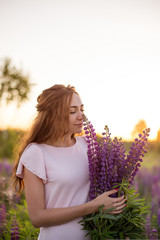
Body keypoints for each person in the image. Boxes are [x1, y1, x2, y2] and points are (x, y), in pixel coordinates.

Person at [13, 84, 126, 240]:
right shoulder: (36, 153)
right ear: (53, 116)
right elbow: (37, 218)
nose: (81, 116)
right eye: (73, 111)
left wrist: (119, 230)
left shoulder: (87, 145)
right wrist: (92, 207)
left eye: (82, 109)